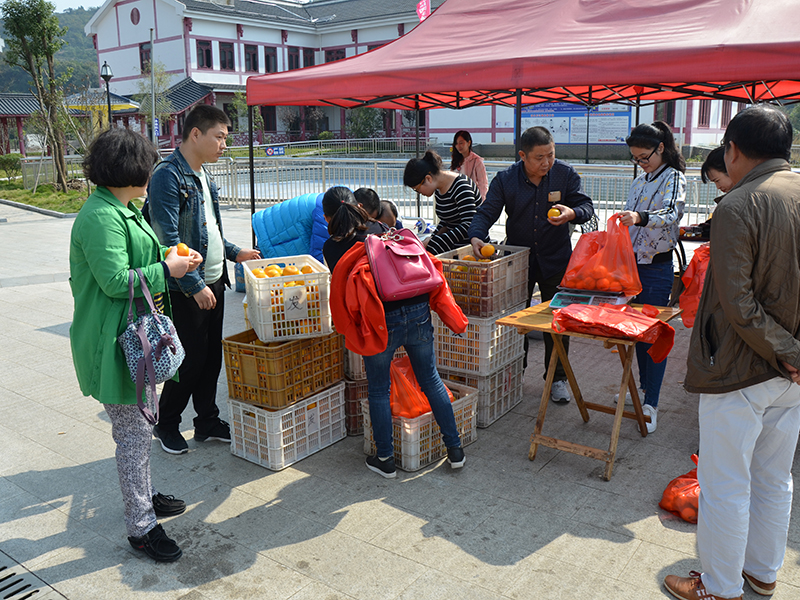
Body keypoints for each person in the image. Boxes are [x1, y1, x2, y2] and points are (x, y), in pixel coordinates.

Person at [664, 106, 800, 600]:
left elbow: (739, 304)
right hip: (790, 374)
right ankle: (763, 572)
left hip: (742, 369)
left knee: (726, 484)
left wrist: (787, 351)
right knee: (774, 478)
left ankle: (719, 587)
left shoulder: (739, 204)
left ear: (733, 150)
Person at [69, 128, 203, 562]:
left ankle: (144, 495)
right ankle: (141, 526)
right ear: (128, 171)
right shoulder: (100, 217)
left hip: (133, 337)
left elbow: (138, 258)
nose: (151, 174)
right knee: (132, 435)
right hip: (113, 342)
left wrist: (172, 256)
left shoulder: (121, 207)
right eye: (145, 167)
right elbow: (113, 281)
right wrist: (169, 268)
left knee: (141, 430)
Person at [323, 186, 467, 479]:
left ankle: (385, 459)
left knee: (378, 388)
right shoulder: (382, 229)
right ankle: (455, 451)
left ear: (327, 217)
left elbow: (343, 294)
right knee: (430, 379)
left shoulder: (332, 247)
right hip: (417, 310)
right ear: (361, 207)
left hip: (378, 320)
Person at [146, 105, 261, 455]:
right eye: (220, 137)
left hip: (214, 281)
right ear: (195, 134)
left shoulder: (204, 176)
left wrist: (235, 252)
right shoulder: (168, 175)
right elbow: (166, 237)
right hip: (186, 287)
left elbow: (208, 231)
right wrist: (194, 286)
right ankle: (166, 423)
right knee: (190, 359)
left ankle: (207, 420)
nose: (224, 144)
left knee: (212, 358)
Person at [467, 126, 594, 404]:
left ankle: (557, 377)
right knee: (517, 319)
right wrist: (476, 235)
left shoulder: (564, 174)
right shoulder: (506, 180)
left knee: (558, 320)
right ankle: (515, 372)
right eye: (539, 157)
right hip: (519, 260)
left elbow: (586, 207)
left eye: (550, 155)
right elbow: (487, 211)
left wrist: (572, 212)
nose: (546, 162)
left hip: (556, 259)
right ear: (523, 155)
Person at [617, 121, 686, 433]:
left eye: (645, 157)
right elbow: (631, 217)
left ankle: (651, 402)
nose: (641, 163)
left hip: (657, 268)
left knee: (654, 336)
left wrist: (640, 218)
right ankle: (644, 390)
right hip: (632, 266)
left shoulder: (674, 178)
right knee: (635, 334)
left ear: (661, 149)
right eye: (636, 158)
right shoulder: (640, 180)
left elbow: (671, 213)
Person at [404, 150, 481, 255]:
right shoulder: (439, 189)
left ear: (428, 178)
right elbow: (446, 221)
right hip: (455, 247)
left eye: (417, 189)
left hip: (471, 248)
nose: (419, 193)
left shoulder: (461, 187)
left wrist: (434, 241)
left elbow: (469, 224)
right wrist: (432, 237)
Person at [450, 130, 489, 201]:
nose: (459, 146)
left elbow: (483, 184)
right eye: (456, 143)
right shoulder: (456, 159)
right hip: (457, 199)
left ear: (469, 143)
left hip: (472, 199)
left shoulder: (477, 161)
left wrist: (480, 201)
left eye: (461, 143)